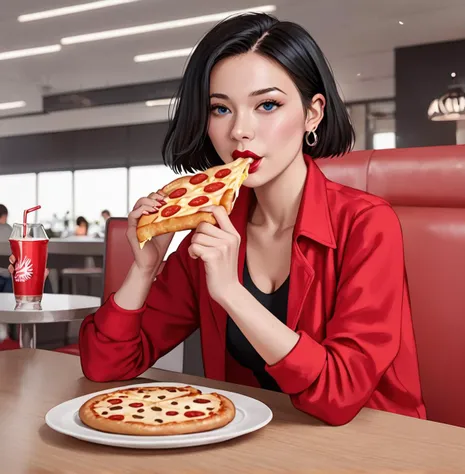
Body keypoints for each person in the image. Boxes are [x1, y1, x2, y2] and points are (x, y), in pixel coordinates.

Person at [78, 13, 426, 426]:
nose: (240, 131)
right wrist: (144, 269)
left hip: (377, 448)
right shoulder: (210, 229)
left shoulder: (368, 224)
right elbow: (105, 366)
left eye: (267, 105)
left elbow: (340, 394)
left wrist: (231, 291)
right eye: (221, 109)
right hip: (253, 449)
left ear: (313, 114)